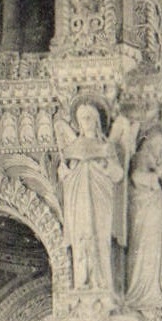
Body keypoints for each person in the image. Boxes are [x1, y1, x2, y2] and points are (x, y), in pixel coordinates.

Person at [55, 101, 125, 293]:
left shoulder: (105, 146)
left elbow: (118, 174)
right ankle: (83, 282)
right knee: (81, 239)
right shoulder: (73, 147)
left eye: (88, 117)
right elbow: (64, 175)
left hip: (100, 198)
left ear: (96, 121)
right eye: (81, 118)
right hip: (78, 201)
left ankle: (102, 282)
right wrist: (66, 169)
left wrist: (104, 166)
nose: (84, 122)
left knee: (100, 237)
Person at [124, 127, 162, 311]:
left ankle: (149, 291)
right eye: (158, 145)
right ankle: (140, 291)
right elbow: (137, 177)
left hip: (151, 212)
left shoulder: (151, 159)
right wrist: (156, 176)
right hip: (144, 211)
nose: (159, 150)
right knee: (143, 250)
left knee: (150, 254)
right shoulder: (141, 156)